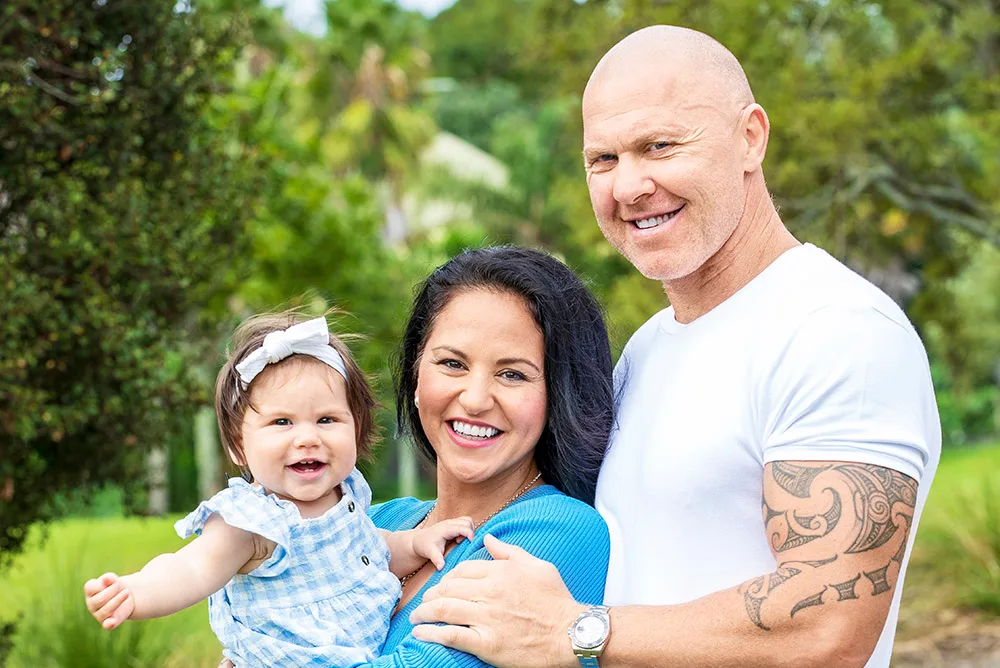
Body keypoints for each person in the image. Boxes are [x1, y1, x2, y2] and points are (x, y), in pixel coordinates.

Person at [407, 25, 942, 668]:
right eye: (603, 160)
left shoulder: (837, 329)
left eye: (659, 146)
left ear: (750, 138)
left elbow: (828, 627)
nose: (629, 186)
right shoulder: (647, 350)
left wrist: (579, 633)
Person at [84, 312, 478, 667]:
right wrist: (135, 592)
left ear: (356, 430)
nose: (307, 438)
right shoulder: (251, 521)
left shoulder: (348, 495)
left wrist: (416, 543)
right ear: (239, 445)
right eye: (282, 423)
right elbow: (192, 567)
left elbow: (368, 551)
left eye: (326, 419)